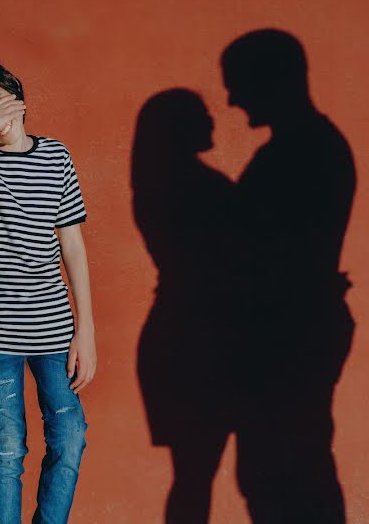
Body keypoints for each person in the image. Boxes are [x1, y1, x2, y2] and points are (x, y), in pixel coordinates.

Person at [0, 50, 96, 523]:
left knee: (70, 434)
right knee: (7, 446)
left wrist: (85, 330)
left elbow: (72, 246)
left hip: (51, 325)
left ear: (17, 97)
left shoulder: (55, 156)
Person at [223, 29, 356, 523]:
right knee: (289, 470)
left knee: (287, 473)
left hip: (292, 333)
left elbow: (277, 254)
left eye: (237, 83)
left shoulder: (299, 153)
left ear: (272, 79)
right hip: (298, 328)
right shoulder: (310, 147)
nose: (233, 98)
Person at [131, 89, 239, 523]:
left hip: (177, 332)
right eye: (202, 115)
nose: (213, 122)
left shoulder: (155, 188)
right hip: (205, 336)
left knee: (193, 475)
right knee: (198, 475)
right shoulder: (204, 187)